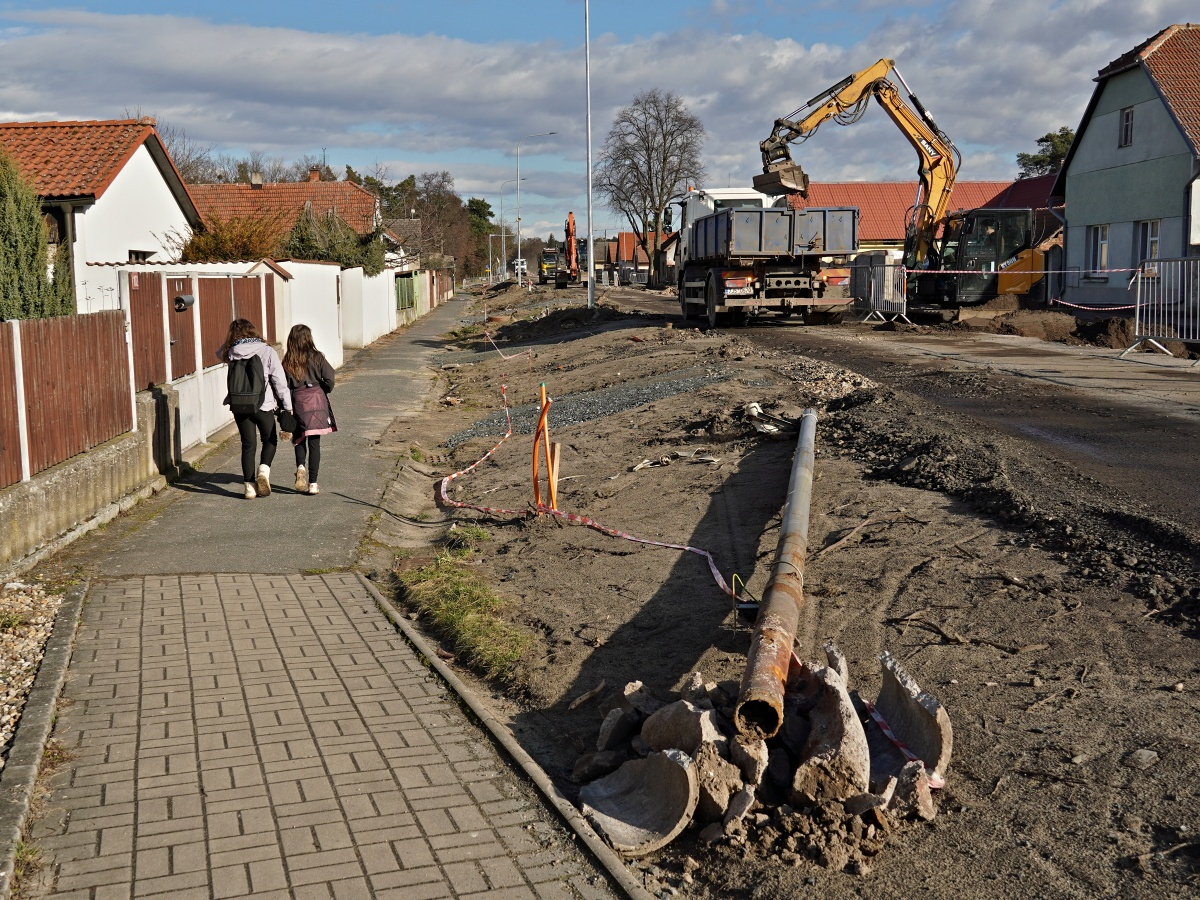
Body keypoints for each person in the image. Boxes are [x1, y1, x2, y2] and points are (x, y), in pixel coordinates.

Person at [217, 319, 292, 500]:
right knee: (270, 439)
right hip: (263, 404)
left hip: (240, 406)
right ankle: (263, 471)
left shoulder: (232, 352)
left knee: (248, 445)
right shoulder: (267, 351)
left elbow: (218, 353)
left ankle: (249, 487)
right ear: (253, 331)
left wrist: (230, 341)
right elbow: (280, 382)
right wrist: (288, 407)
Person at [281, 324, 336, 496]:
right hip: (317, 399)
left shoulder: (288, 360)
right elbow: (330, 378)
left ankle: (300, 467)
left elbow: (283, 385)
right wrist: (323, 390)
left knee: (298, 438)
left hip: (298, 401)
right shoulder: (317, 357)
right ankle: (313, 483)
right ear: (308, 338)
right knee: (315, 443)